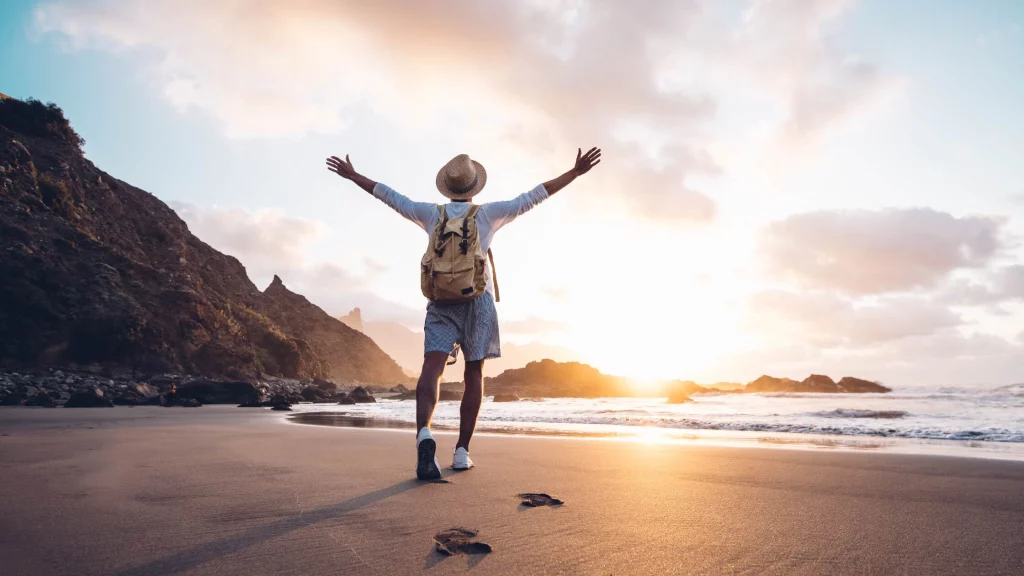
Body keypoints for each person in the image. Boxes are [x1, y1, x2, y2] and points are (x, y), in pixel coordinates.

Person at [326, 147, 601, 480]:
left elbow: (390, 196)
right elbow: (534, 196)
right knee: (474, 373)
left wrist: (354, 176)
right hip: (477, 302)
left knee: (432, 368)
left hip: (441, 302)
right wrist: (573, 173)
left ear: (448, 187)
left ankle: (424, 434)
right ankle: (461, 452)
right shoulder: (488, 214)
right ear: (473, 187)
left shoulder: (430, 214)